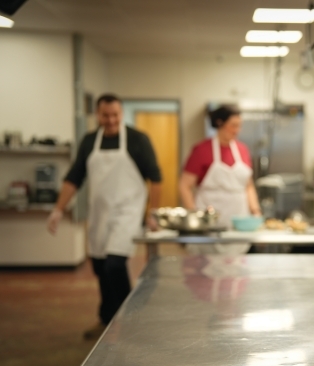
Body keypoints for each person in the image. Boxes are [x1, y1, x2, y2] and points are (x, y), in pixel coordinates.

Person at [47, 93, 162, 340]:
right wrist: (58, 209)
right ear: (97, 115)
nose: (110, 120)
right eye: (105, 115)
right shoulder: (90, 141)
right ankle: (107, 320)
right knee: (100, 267)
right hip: (99, 213)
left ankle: (131, 319)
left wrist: (151, 214)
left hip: (128, 212)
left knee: (115, 264)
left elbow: (156, 178)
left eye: (115, 115)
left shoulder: (137, 140)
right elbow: (74, 178)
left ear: (121, 114)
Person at [179, 105, 261, 252]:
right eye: (233, 126)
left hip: (239, 220)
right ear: (219, 123)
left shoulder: (243, 150)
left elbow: (248, 185)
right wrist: (195, 218)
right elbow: (184, 185)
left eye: (239, 126)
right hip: (209, 220)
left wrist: (255, 212)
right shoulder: (201, 150)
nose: (237, 130)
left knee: (237, 269)